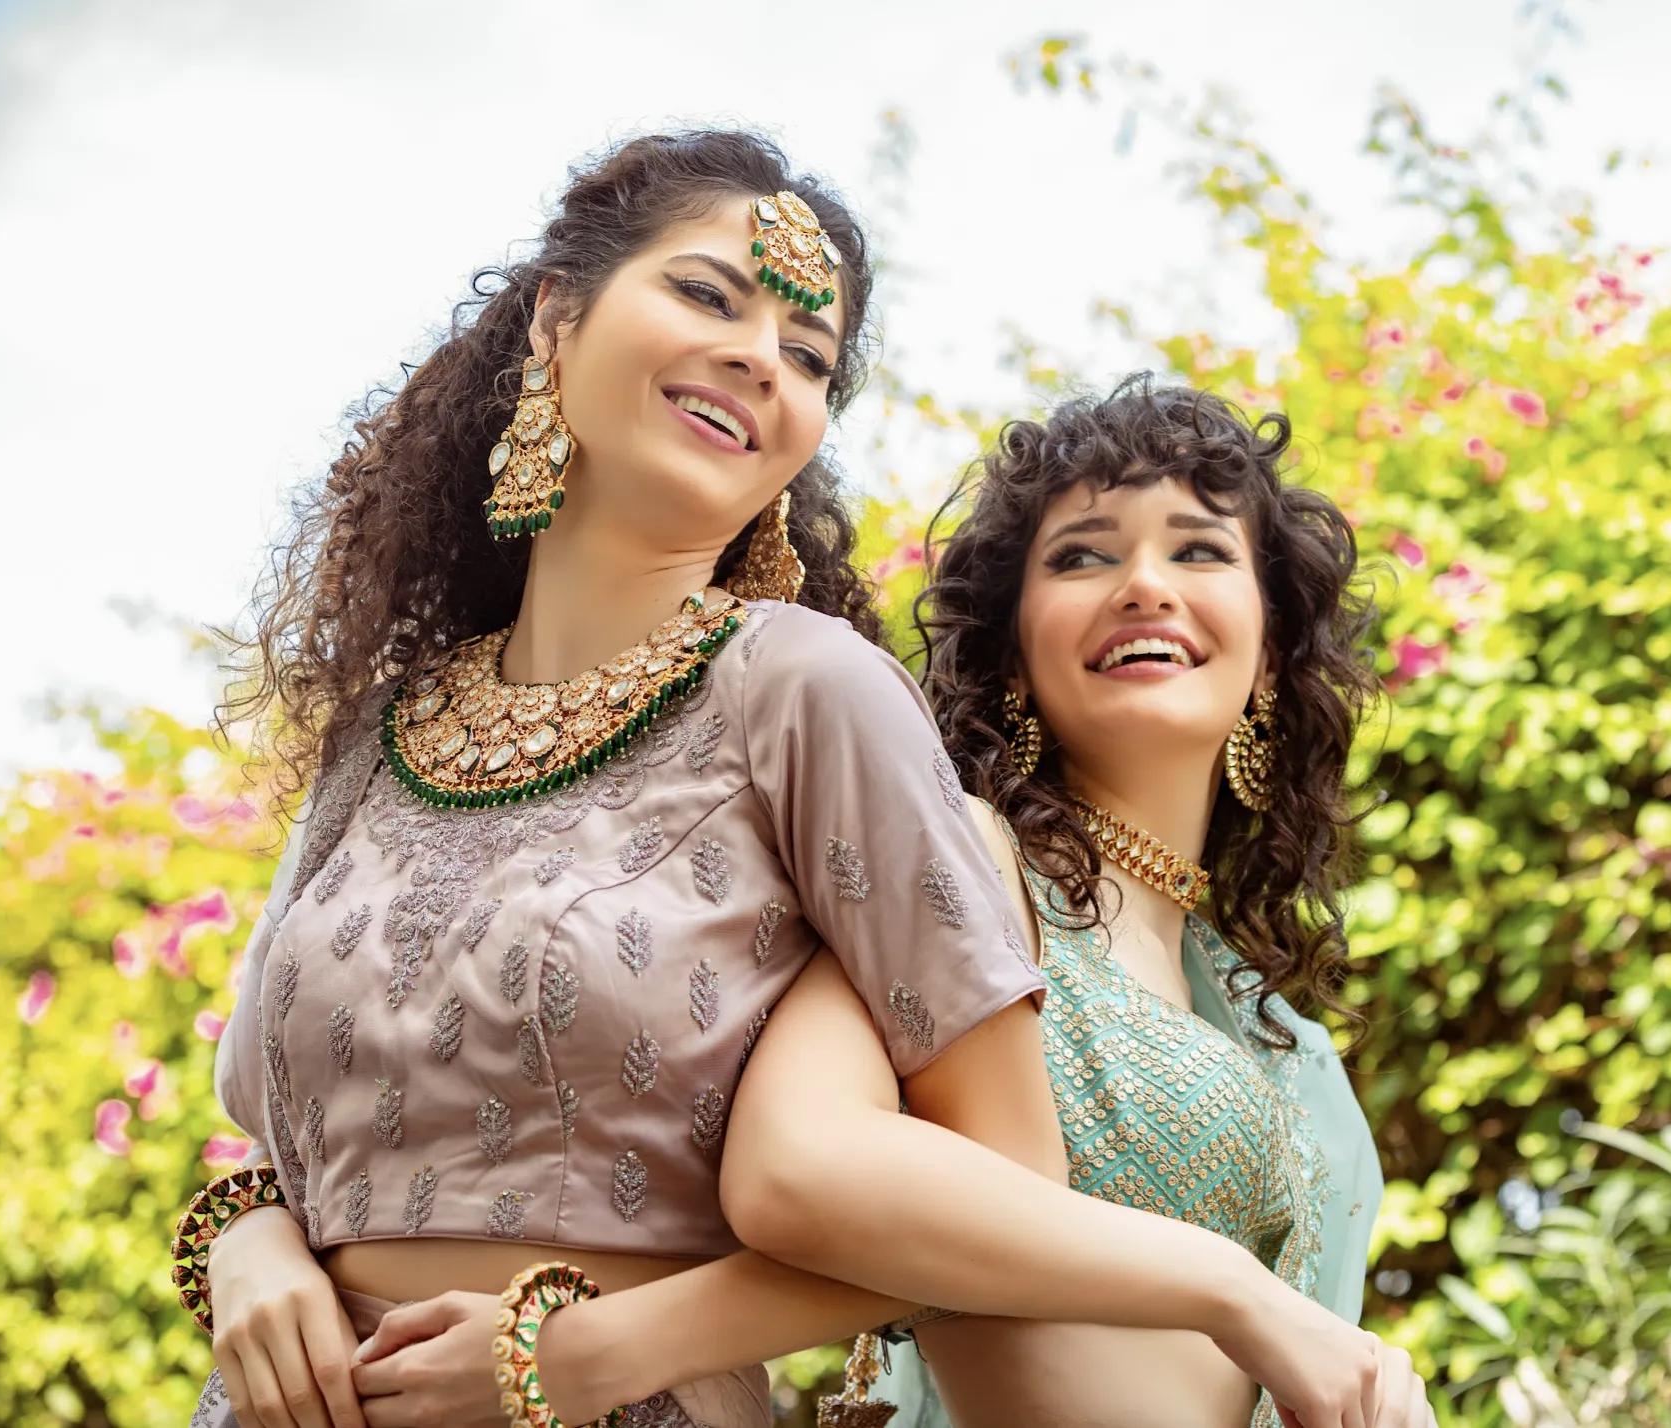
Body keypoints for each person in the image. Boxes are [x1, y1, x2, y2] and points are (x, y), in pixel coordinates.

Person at [182, 131, 1415, 1428]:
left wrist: (575, 1352)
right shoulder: (381, 738)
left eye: (809, 356)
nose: (759, 356)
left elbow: (987, 1180)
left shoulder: (801, 690)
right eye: (710, 297)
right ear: (555, 317)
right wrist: (242, 1241)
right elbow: (287, 1138)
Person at [719, 377, 1415, 1427]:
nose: (1144, 585)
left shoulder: (1286, 1050)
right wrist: (1236, 1293)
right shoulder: (967, 866)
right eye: (1083, 555)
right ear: (1014, 653)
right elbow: (796, 1170)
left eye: (1200, 550)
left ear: (1268, 656)